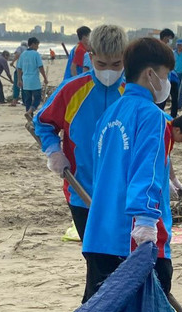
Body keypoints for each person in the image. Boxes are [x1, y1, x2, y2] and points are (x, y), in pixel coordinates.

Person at [82, 37, 178, 302]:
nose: (167, 82)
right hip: (134, 239)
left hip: (99, 233)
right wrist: (147, 222)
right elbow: (145, 169)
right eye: (165, 74)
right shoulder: (153, 116)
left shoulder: (110, 114)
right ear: (150, 74)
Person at [34, 24, 128, 240]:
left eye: (116, 64)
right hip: (80, 190)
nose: (109, 71)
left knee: (121, 256)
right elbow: (43, 123)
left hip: (123, 193)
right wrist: (54, 152)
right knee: (94, 256)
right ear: (90, 56)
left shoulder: (132, 92)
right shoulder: (71, 90)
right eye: (101, 64)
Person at [18, 36, 47, 115]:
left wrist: (19, 79)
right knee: (37, 99)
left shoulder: (23, 54)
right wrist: (45, 78)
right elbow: (40, 67)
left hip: (25, 81)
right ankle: (30, 112)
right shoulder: (36, 54)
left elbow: (19, 68)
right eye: (37, 45)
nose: (38, 47)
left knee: (28, 100)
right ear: (33, 44)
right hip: (34, 81)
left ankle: (29, 117)